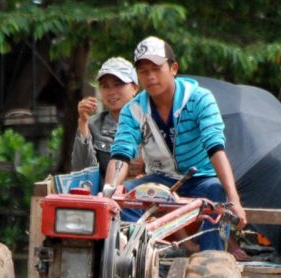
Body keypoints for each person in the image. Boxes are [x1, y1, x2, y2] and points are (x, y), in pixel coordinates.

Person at [103, 36, 246, 251]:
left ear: (173, 68)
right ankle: (136, 262)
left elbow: (215, 147)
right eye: (143, 71)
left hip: (201, 178)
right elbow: (121, 153)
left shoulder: (199, 99)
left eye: (156, 68)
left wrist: (234, 200)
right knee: (125, 198)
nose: (150, 76)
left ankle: (210, 259)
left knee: (217, 191)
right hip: (160, 179)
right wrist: (110, 192)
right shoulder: (132, 110)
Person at [71, 57, 143, 178]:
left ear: (135, 88)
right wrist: (83, 122)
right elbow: (82, 173)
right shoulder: (93, 125)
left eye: (118, 84)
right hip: (107, 194)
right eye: (105, 86)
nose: (111, 92)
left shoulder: (153, 120)